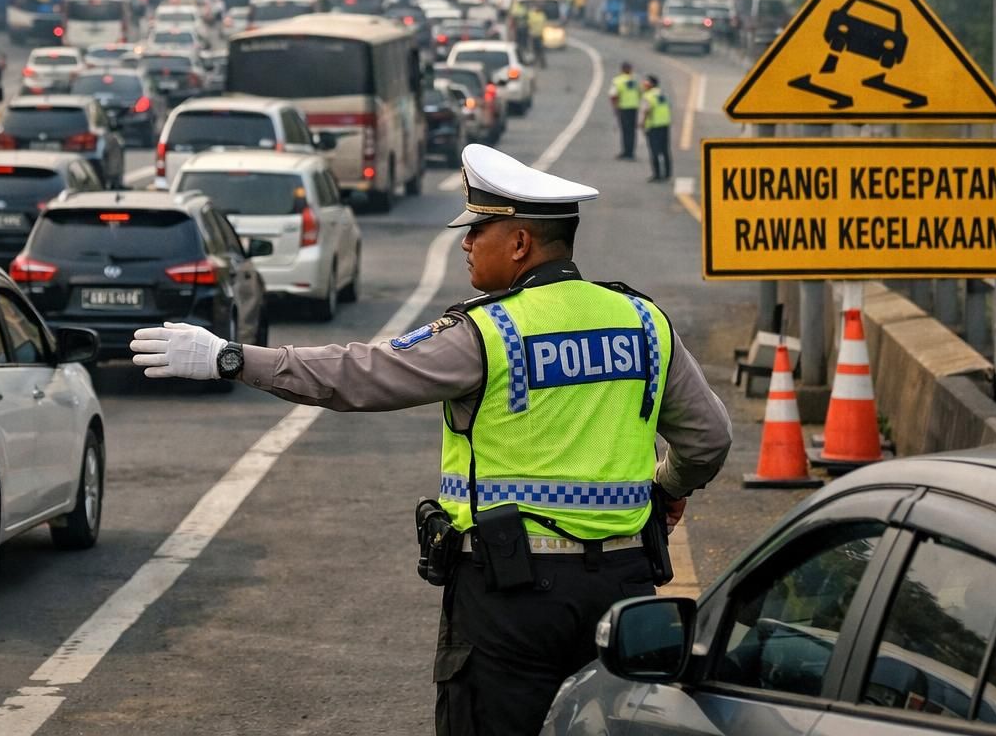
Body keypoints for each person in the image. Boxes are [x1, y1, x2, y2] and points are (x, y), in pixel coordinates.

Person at [130, 144, 733, 736]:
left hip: (511, 599)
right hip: (624, 593)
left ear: (520, 243)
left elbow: (357, 374)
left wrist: (232, 358)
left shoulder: (487, 330)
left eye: (478, 230)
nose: (466, 243)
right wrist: (666, 486)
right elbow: (707, 439)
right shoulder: (643, 321)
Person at [640, 74, 672, 182]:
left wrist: (643, 124)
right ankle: (667, 173)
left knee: (654, 151)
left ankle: (657, 174)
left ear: (651, 84)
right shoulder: (662, 93)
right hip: (664, 124)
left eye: (646, 82)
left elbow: (646, 110)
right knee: (665, 150)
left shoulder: (648, 96)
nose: (644, 84)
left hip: (654, 126)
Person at [609, 61, 640, 160]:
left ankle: (627, 153)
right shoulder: (635, 80)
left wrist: (615, 108)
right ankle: (630, 152)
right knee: (631, 131)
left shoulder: (618, 80)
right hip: (634, 108)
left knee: (625, 131)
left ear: (622, 69)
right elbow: (641, 93)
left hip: (624, 108)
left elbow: (613, 95)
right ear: (630, 69)